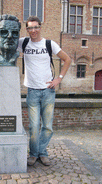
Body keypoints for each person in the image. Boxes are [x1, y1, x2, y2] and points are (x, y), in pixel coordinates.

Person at [17, 16, 72, 166]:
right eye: (30, 28)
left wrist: (59, 79)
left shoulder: (49, 44)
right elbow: (6, 48)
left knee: (47, 126)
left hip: (48, 91)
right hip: (32, 91)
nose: (33, 30)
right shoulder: (23, 43)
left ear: (40, 27)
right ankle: (34, 154)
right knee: (34, 126)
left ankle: (41, 152)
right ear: (27, 29)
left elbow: (67, 59)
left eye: (36, 27)